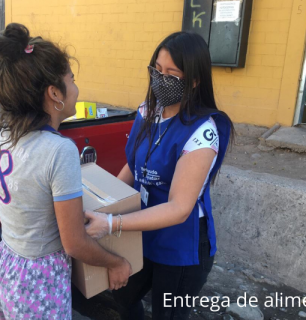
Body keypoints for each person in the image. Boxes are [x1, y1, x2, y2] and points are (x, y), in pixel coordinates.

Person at [85, 31, 234, 320]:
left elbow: (179, 209)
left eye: (171, 74)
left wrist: (112, 222)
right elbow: (133, 166)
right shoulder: (148, 111)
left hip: (180, 247)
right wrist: (104, 205)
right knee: (116, 301)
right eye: (157, 70)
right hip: (141, 232)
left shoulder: (202, 132)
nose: (160, 80)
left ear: (194, 79)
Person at [0, 23, 131, 320]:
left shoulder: (6, 134)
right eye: (72, 79)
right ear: (55, 93)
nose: (77, 88)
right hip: (37, 282)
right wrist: (117, 263)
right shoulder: (58, 150)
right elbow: (74, 242)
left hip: (6, 266)